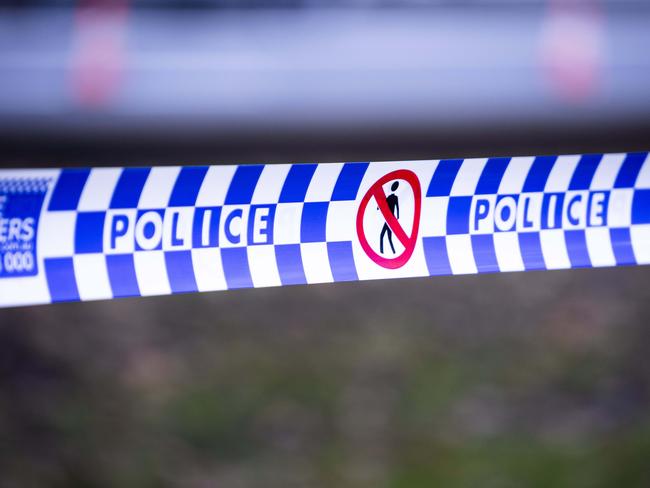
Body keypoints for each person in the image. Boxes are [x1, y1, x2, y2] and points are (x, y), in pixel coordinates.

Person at [379, 181, 399, 254]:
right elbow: (397, 207)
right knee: (388, 237)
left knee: (383, 236)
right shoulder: (394, 198)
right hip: (390, 219)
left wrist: (378, 207)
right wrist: (398, 216)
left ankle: (382, 251)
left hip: (389, 219)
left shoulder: (389, 198)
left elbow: (382, 204)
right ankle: (392, 251)